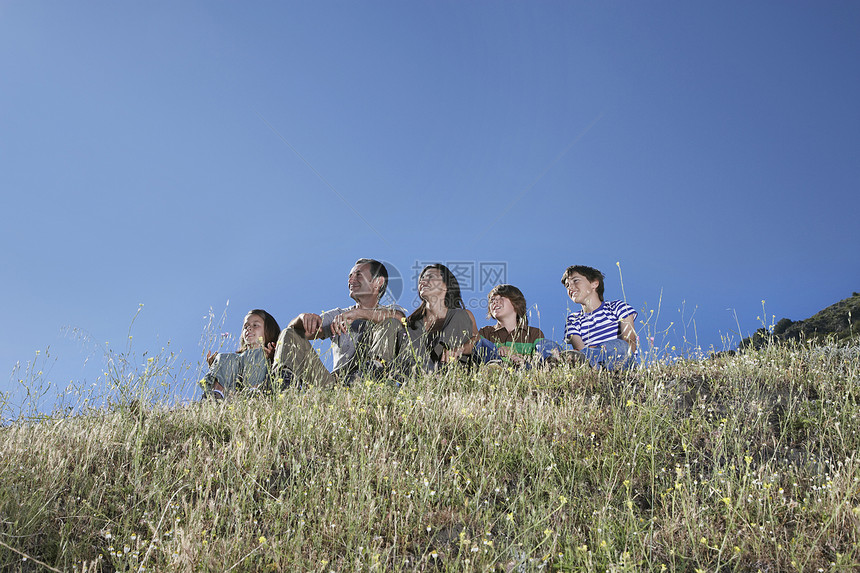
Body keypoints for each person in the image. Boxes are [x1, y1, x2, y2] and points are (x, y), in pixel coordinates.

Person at [272, 259, 406, 388]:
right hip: (335, 385)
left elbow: (400, 319)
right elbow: (294, 334)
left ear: (378, 282)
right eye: (350, 276)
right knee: (289, 333)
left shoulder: (392, 312)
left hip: (368, 384)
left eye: (358, 275)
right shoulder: (338, 314)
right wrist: (301, 319)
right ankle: (284, 386)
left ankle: (372, 372)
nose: (351, 280)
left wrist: (359, 314)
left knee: (390, 323)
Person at [400, 264, 478, 372]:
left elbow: (477, 342)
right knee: (409, 328)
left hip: (453, 372)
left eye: (430, 277)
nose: (422, 282)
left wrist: (459, 350)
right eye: (421, 279)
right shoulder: (412, 323)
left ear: (445, 286)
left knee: (460, 315)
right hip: (419, 375)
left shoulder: (461, 315)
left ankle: (442, 360)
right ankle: (424, 372)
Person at [561, 265, 638, 371]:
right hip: (592, 368)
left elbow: (629, 342)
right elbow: (580, 352)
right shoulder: (572, 320)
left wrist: (595, 350)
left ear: (594, 283)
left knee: (620, 346)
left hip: (621, 363)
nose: (570, 287)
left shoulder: (617, 307)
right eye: (567, 285)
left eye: (576, 281)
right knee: (547, 346)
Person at [473, 284, 563, 367]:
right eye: (492, 300)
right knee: (480, 343)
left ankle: (556, 360)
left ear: (516, 303)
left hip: (524, 370)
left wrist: (520, 358)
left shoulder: (533, 333)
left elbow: (537, 355)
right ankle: (496, 367)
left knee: (545, 344)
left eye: (501, 298)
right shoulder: (486, 332)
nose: (495, 302)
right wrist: (497, 350)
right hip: (498, 372)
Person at [203, 309, 281, 399]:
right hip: (233, 394)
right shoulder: (235, 359)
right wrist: (214, 366)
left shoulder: (271, 353)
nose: (249, 328)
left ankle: (254, 394)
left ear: (268, 330)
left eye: (255, 325)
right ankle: (216, 395)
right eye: (246, 326)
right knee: (223, 357)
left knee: (257, 354)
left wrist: (272, 357)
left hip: (262, 390)